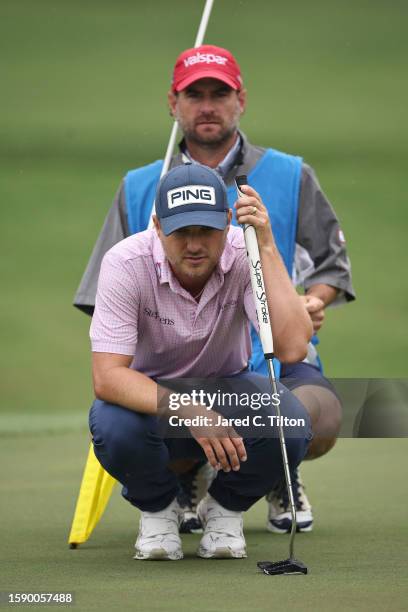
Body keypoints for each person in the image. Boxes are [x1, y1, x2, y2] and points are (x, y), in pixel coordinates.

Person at [75, 44, 355, 534]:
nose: (207, 105)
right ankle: (182, 476)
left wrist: (310, 300)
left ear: (240, 99)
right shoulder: (141, 185)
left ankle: (273, 473)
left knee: (316, 417)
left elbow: (332, 266)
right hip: (169, 367)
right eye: (194, 94)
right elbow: (108, 299)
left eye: (219, 93)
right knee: (135, 414)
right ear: (173, 103)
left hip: (269, 354)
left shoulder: (291, 174)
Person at [89, 162, 313, 560]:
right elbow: (108, 378)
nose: (194, 245)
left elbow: (293, 347)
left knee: (291, 420)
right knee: (112, 425)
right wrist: (189, 409)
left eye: (206, 231)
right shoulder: (125, 264)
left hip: (226, 387)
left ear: (228, 222)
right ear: (158, 226)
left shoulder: (245, 254)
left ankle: (224, 509)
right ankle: (159, 509)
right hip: (150, 397)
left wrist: (265, 245)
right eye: (181, 232)